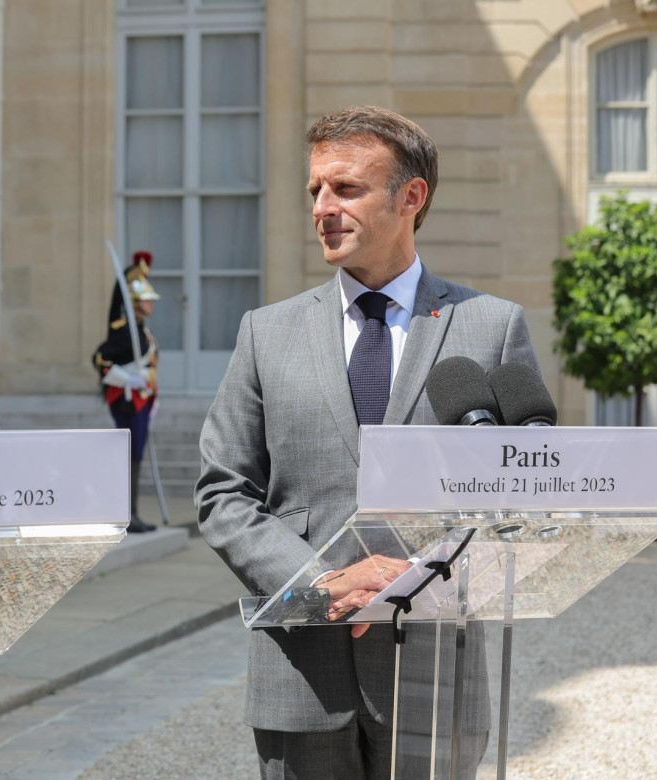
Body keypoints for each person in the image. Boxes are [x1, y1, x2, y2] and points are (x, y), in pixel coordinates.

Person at [194, 105, 540, 779]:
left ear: (411, 197)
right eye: (315, 190)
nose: (323, 206)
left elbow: (517, 499)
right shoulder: (267, 333)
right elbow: (222, 492)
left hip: (434, 674)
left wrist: (415, 579)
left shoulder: (491, 328)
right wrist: (322, 581)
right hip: (301, 674)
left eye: (345, 188)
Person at [93, 251, 160, 533]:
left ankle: (131, 511)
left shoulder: (141, 331)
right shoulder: (123, 332)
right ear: (134, 302)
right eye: (145, 299)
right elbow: (100, 360)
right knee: (129, 455)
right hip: (127, 402)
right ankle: (126, 512)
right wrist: (128, 380)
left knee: (135, 455)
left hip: (141, 401)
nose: (150, 303)